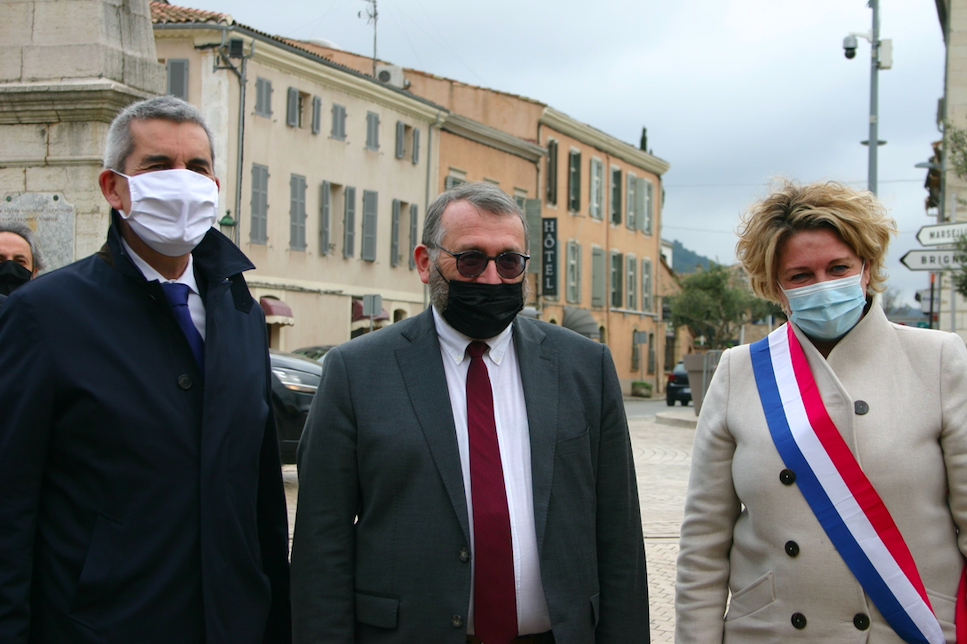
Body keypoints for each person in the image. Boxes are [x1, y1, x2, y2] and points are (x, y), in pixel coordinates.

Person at [291, 181, 648, 644]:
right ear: (425, 262)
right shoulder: (356, 372)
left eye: (509, 261)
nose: (492, 278)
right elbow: (323, 545)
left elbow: (619, 537)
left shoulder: (585, 368)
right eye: (471, 259)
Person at [0, 96, 291, 643]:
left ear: (215, 187)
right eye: (159, 165)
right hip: (103, 624)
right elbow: (9, 506)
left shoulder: (240, 312)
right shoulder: (45, 315)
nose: (182, 181)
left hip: (231, 623)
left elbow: (262, 497)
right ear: (114, 188)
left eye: (197, 168)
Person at [675, 180, 967, 642]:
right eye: (801, 276)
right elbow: (703, 544)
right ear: (776, 287)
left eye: (838, 268)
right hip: (773, 632)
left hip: (909, 626)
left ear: (866, 268)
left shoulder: (937, 359)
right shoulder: (740, 372)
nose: (824, 287)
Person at [0, 220, 46, 304]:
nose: (9, 267)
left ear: (34, 273)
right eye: (0, 259)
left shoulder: (45, 314)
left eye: (20, 261)